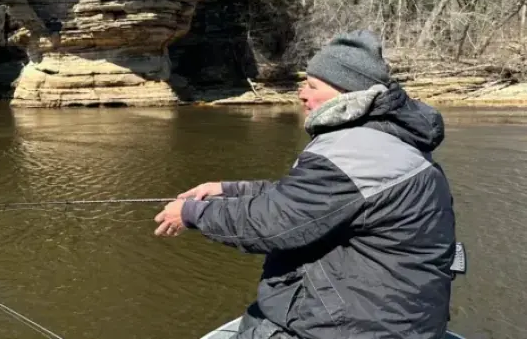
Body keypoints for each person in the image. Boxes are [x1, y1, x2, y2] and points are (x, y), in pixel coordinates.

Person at [154, 30, 456, 339]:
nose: (301, 94)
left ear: (346, 92)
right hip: (397, 317)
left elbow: (273, 224)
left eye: (312, 86)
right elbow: (309, 200)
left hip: (366, 328)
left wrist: (192, 214)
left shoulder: (355, 150)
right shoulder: (383, 139)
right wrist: (229, 190)